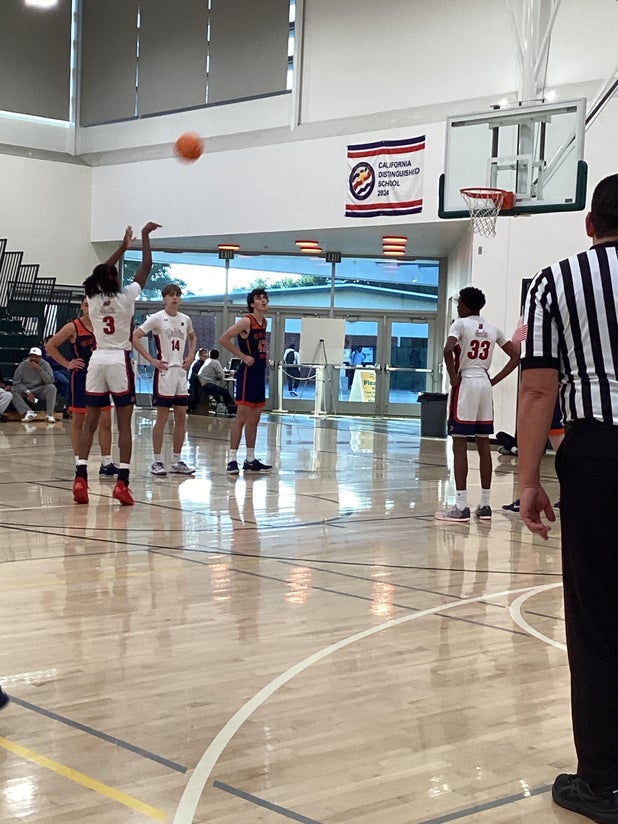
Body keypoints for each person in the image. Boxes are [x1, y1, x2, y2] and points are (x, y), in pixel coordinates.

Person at [517, 174, 618, 823]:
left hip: (599, 456)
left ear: (589, 224)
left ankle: (603, 783)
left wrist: (527, 480)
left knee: (597, 619)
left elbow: (537, 389)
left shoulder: (558, 281)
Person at [73, 221, 161, 506]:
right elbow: (146, 266)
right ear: (114, 279)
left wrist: (122, 248)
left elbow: (98, 272)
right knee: (124, 424)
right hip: (119, 360)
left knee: (90, 421)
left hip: (97, 359)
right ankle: (122, 483)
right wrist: (144, 237)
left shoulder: (93, 298)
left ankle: (80, 477)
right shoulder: (126, 297)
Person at [435, 286, 519, 522]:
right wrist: (494, 380)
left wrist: (453, 377)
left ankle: (461, 506)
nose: (457, 306)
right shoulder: (492, 328)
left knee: (459, 444)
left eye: (458, 303)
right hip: (484, 382)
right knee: (484, 444)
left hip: (466, 383)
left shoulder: (460, 324)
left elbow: (448, 349)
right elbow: (516, 356)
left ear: (464, 304)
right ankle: (485, 504)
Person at [45, 297, 118, 476]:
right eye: (86, 305)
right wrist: (67, 363)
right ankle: (80, 462)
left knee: (105, 420)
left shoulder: (104, 325)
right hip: (81, 376)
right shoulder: (73, 327)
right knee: (79, 420)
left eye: (93, 305)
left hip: (101, 376)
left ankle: (106, 462)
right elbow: (50, 346)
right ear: (82, 307)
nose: (89, 309)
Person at [132, 283, 197, 476]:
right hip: (165, 372)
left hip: (180, 373)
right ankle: (157, 460)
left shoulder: (185, 319)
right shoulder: (157, 318)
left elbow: (192, 337)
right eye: (171, 295)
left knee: (181, 417)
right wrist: (151, 359)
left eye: (178, 295)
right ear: (164, 298)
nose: (175, 298)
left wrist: (191, 355)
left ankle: (176, 460)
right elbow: (135, 336)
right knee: (162, 417)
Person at [219, 288, 272, 475]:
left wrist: (264, 358)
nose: (263, 300)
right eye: (259, 298)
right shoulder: (246, 321)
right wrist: (243, 356)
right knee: (241, 417)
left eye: (265, 298)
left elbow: (259, 345)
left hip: (259, 372)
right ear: (252, 303)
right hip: (247, 372)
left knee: (255, 418)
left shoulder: (264, 322)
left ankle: (250, 459)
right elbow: (224, 339)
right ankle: (231, 459)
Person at [10, 347, 57, 423]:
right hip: (26, 389)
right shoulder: (23, 365)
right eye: (31, 356)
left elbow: (50, 381)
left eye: (36, 356)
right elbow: (16, 382)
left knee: (52, 387)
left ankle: (50, 414)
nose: (33, 358)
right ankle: (28, 412)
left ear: (40, 357)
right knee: (13, 389)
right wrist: (27, 391)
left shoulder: (45, 365)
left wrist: (39, 369)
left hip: (39, 389)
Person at [197, 348, 236, 416]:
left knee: (218, 390)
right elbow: (221, 376)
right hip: (208, 385)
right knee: (225, 392)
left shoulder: (207, 360)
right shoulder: (215, 362)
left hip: (202, 384)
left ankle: (220, 406)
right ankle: (232, 411)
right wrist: (227, 374)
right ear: (218, 356)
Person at [42, 334, 70, 410]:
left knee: (74, 381)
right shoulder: (43, 351)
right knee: (65, 382)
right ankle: (64, 403)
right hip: (53, 371)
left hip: (62, 370)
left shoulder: (59, 350)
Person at [187, 348, 208, 413]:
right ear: (200, 356)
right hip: (195, 383)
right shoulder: (198, 364)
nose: (206, 358)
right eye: (204, 356)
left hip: (195, 382)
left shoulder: (198, 362)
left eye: (207, 356)